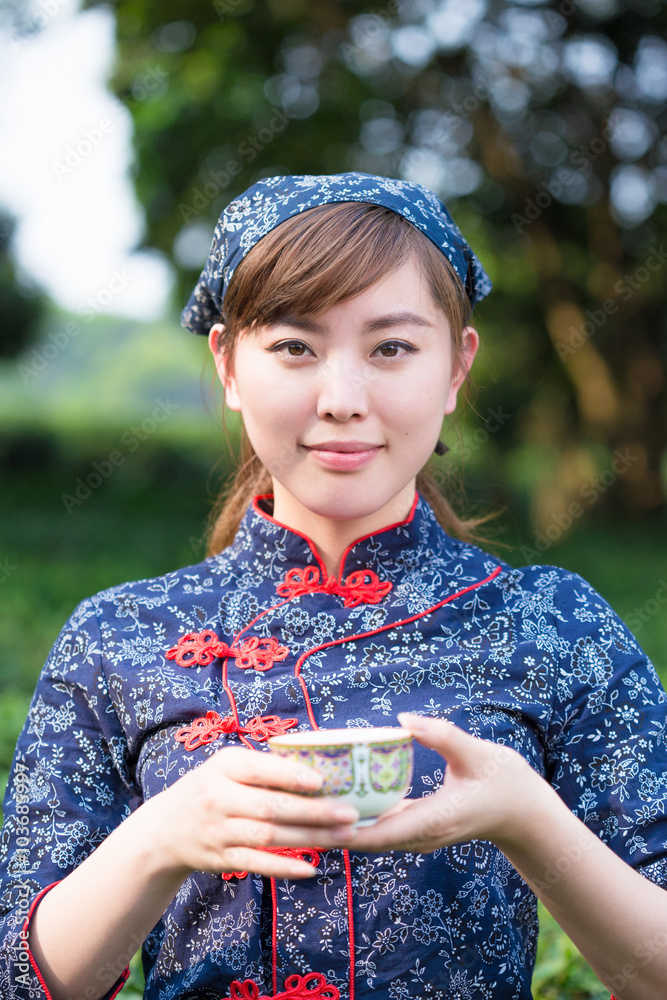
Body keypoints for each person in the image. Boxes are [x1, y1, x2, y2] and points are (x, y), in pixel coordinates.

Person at [0, 172, 666, 1000]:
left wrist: (528, 819)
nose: (342, 400)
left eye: (391, 347)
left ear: (457, 366)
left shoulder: (554, 624)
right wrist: (160, 840)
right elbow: (20, 980)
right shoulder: (116, 636)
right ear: (229, 365)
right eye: (293, 347)